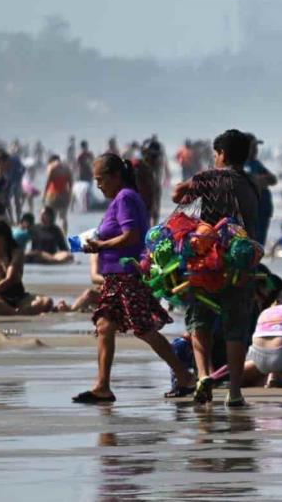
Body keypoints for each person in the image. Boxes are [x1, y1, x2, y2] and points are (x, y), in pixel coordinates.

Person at [72, 153, 194, 404]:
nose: (98, 186)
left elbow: (132, 236)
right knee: (105, 326)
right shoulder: (122, 198)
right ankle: (103, 386)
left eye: (100, 180)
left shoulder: (126, 197)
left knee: (144, 329)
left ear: (116, 176)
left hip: (127, 275)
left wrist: (101, 245)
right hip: (115, 277)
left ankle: (185, 377)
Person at [173, 129, 260, 407]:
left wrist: (197, 182)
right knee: (236, 326)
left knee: (200, 319)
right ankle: (234, 392)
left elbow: (177, 195)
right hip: (240, 263)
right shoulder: (251, 183)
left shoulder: (206, 178)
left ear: (221, 154)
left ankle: (202, 375)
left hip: (205, 260)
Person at [245, 134, 277, 247]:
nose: (256, 150)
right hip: (251, 212)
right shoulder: (242, 164)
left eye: (256, 147)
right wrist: (256, 180)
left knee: (259, 243)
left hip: (263, 210)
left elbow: (273, 179)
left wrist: (259, 180)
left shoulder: (256, 163)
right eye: (253, 147)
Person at [43, 155, 73, 235]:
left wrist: (44, 195)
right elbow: (70, 185)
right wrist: (69, 197)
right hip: (64, 195)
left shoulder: (51, 167)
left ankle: (52, 236)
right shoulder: (67, 168)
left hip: (53, 195)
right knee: (63, 217)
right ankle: (64, 236)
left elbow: (48, 183)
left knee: (52, 216)